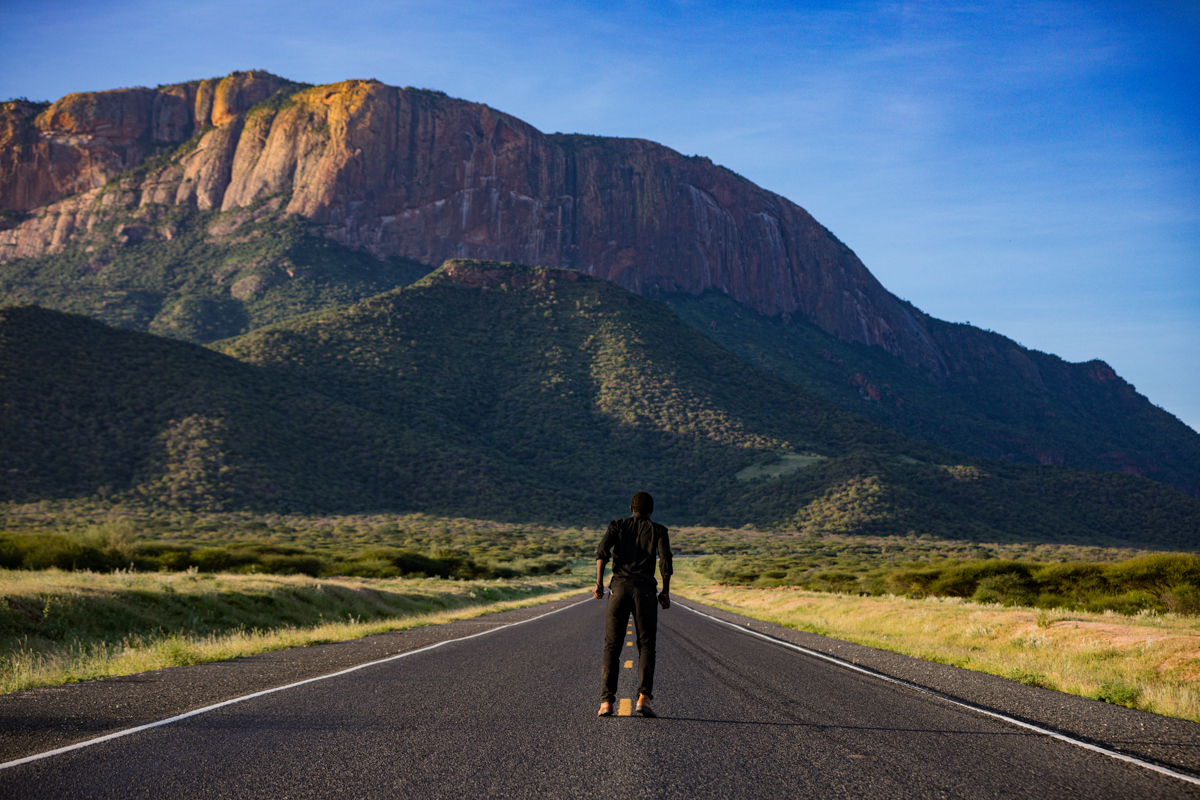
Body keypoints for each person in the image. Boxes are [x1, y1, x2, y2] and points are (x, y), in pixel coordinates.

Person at [594, 491, 672, 717]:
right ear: (651, 511)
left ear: (631, 508)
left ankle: (606, 702)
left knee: (612, 646)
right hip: (645, 591)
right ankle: (643, 698)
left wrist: (599, 584)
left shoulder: (617, 526)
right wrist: (665, 592)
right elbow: (665, 561)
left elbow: (602, 552)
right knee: (646, 644)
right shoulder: (659, 530)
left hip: (618, 589)